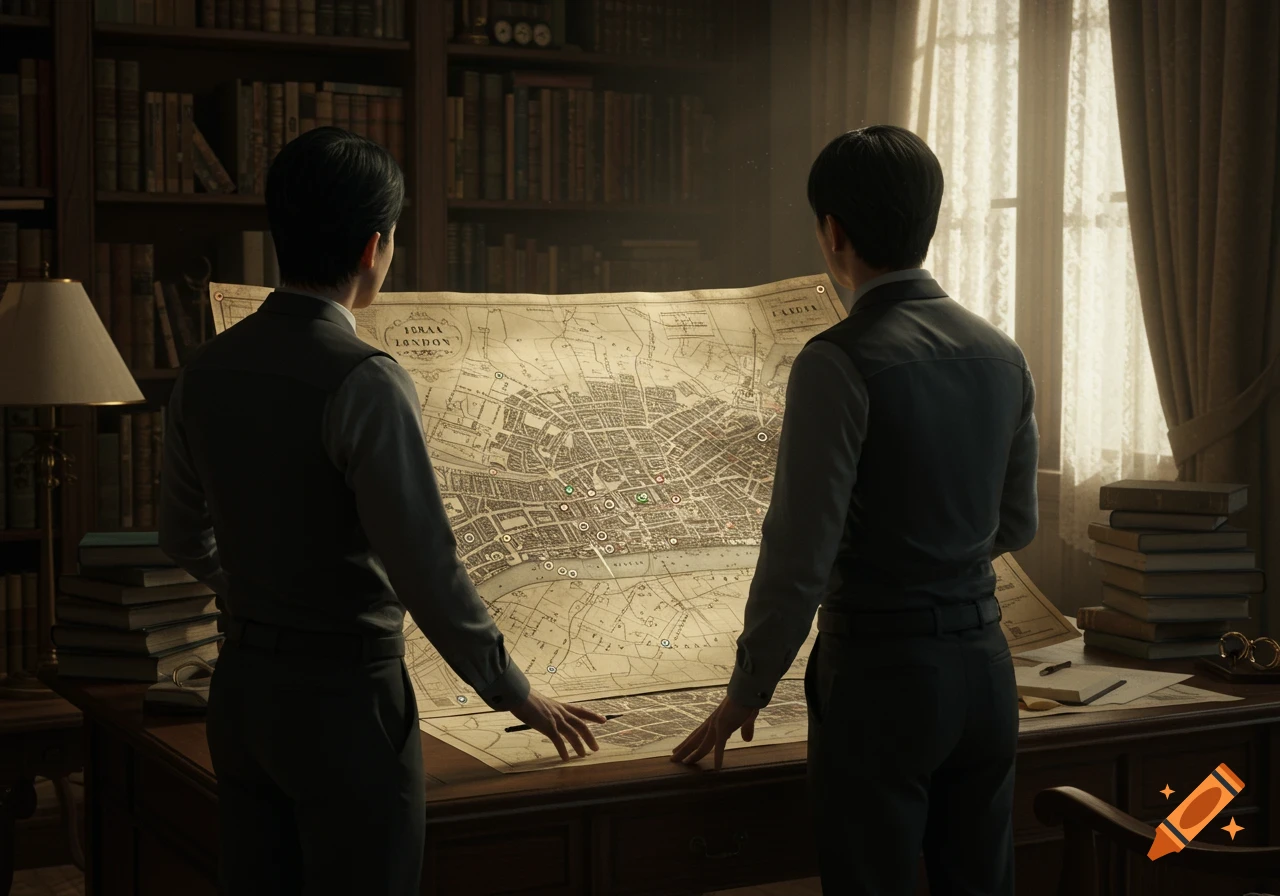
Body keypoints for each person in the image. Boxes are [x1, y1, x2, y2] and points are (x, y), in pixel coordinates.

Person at [158, 127, 607, 896]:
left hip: (242, 694)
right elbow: (426, 570)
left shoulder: (203, 370)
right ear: (374, 247)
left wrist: (254, 597)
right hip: (346, 704)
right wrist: (514, 691)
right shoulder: (365, 379)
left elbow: (180, 535)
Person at [672, 125, 1038, 895]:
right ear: (929, 220)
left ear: (833, 232)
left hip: (881, 677)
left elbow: (799, 557)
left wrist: (747, 689)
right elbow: (1018, 524)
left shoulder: (837, 360)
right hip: (986, 668)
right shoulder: (1003, 354)